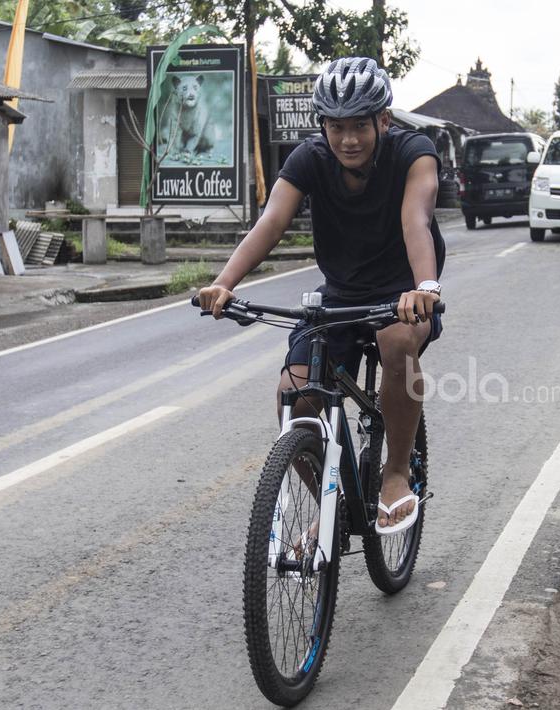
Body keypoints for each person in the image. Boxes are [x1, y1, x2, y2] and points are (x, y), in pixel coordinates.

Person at [197, 57, 443, 536]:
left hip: (403, 291)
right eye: (336, 127)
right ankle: (333, 507)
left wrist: (425, 288)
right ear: (322, 126)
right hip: (340, 294)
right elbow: (271, 222)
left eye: (359, 126)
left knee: (396, 341)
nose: (348, 139)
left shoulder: (414, 153)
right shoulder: (309, 159)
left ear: (383, 121)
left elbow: (416, 220)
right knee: (294, 396)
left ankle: (395, 474)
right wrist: (225, 283)